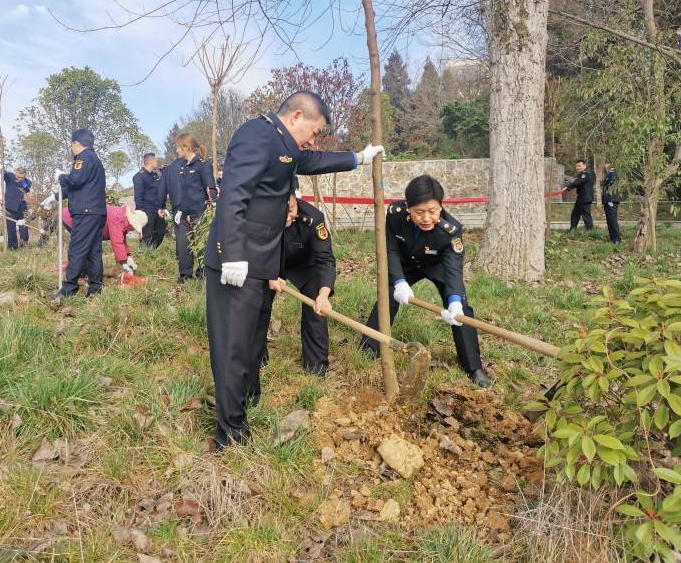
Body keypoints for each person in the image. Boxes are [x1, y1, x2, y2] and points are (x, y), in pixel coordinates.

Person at [204, 90, 385, 449]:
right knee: (233, 346)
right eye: (314, 131)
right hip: (237, 262)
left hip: (261, 263)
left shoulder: (281, 143)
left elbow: (310, 161)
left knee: (253, 341)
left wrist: (357, 158)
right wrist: (233, 254)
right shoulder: (257, 135)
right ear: (297, 116)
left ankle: (246, 401)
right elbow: (234, 194)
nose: (313, 140)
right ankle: (231, 434)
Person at [360, 174, 492, 389]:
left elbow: (453, 270)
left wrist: (455, 299)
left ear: (441, 206)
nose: (427, 218)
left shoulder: (451, 231)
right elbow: (390, 250)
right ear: (408, 207)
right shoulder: (395, 215)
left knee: (461, 310)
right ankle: (370, 346)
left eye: (432, 211)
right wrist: (400, 281)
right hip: (406, 262)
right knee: (387, 296)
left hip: (437, 264)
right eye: (419, 212)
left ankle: (473, 367)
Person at [256, 190, 336, 378]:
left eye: (291, 209)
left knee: (315, 309)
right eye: (281, 212)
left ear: (296, 200)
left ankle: (316, 367)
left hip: (305, 266)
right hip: (269, 264)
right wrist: (267, 274)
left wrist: (323, 295)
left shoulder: (313, 218)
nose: (288, 216)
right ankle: (257, 358)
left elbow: (325, 259)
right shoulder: (258, 215)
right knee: (257, 304)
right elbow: (253, 249)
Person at [53, 129, 107, 300]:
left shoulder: (84, 158)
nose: (72, 148)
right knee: (93, 251)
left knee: (77, 249)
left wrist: (62, 177)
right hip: (96, 212)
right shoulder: (96, 160)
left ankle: (69, 290)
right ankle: (95, 289)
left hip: (85, 213)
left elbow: (75, 180)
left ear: (76, 143)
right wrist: (55, 197)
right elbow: (81, 187)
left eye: (72, 145)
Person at [156, 133, 218, 283]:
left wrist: (214, 207)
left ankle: (204, 274)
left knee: (202, 247)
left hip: (200, 215)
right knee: (183, 246)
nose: (176, 150)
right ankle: (185, 275)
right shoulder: (182, 167)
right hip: (184, 215)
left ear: (186, 147)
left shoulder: (202, 165)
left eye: (178, 147)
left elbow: (211, 190)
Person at [61, 204, 146, 274]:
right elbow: (117, 242)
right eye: (134, 227)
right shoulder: (118, 218)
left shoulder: (123, 218)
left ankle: (83, 272)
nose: (133, 229)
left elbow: (122, 240)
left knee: (89, 247)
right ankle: (80, 275)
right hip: (72, 217)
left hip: (85, 220)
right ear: (132, 221)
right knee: (84, 247)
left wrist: (128, 256)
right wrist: (124, 263)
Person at [132, 153, 167, 249]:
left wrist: (162, 207)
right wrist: (140, 212)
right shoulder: (139, 176)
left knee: (161, 232)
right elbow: (138, 196)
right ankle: (143, 254)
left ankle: (151, 251)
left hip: (158, 210)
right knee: (146, 235)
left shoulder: (156, 176)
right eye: (155, 160)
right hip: (147, 210)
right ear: (151, 162)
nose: (157, 162)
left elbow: (161, 191)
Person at [3, 166, 31, 250]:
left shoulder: (27, 182)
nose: (20, 178)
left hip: (22, 207)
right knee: (11, 228)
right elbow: (4, 174)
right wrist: (3, 170)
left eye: (22, 177)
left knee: (24, 227)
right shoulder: (10, 176)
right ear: (15, 172)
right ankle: (13, 247)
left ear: (25, 175)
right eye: (18, 176)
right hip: (10, 207)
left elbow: (26, 189)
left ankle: (24, 244)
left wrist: (21, 181)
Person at [563, 159, 596, 231]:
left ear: (584, 166)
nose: (578, 167)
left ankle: (590, 231)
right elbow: (578, 182)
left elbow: (578, 182)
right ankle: (573, 230)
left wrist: (568, 188)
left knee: (586, 215)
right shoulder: (585, 173)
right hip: (581, 197)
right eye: (577, 166)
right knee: (575, 214)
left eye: (580, 166)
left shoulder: (586, 173)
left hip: (585, 197)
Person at [602, 166, 621, 244]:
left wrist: (610, 200)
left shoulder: (613, 173)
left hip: (611, 200)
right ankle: (612, 238)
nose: (606, 166)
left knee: (612, 220)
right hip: (608, 200)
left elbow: (611, 186)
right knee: (610, 220)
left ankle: (616, 239)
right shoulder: (608, 173)